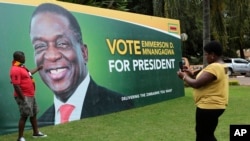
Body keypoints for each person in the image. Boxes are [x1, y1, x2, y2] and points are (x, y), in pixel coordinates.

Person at [29, 3, 133, 126]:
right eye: (40, 46)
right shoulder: (41, 124)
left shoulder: (119, 105)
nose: (52, 56)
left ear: (84, 53)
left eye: (62, 43)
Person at [177, 41, 229, 141]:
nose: (205, 57)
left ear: (213, 55)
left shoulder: (214, 67)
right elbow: (204, 80)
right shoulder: (222, 66)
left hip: (209, 106)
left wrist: (183, 76)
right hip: (216, 105)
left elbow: (196, 84)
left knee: (203, 135)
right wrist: (191, 74)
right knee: (206, 134)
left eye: (206, 54)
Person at [10, 51, 47, 141]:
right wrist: (23, 98)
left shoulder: (21, 67)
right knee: (24, 116)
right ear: (18, 58)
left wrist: (38, 68)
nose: (25, 58)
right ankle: (20, 138)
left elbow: (28, 74)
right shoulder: (15, 69)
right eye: (23, 57)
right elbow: (16, 85)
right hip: (24, 96)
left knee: (33, 114)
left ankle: (36, 133)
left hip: (30, 95)